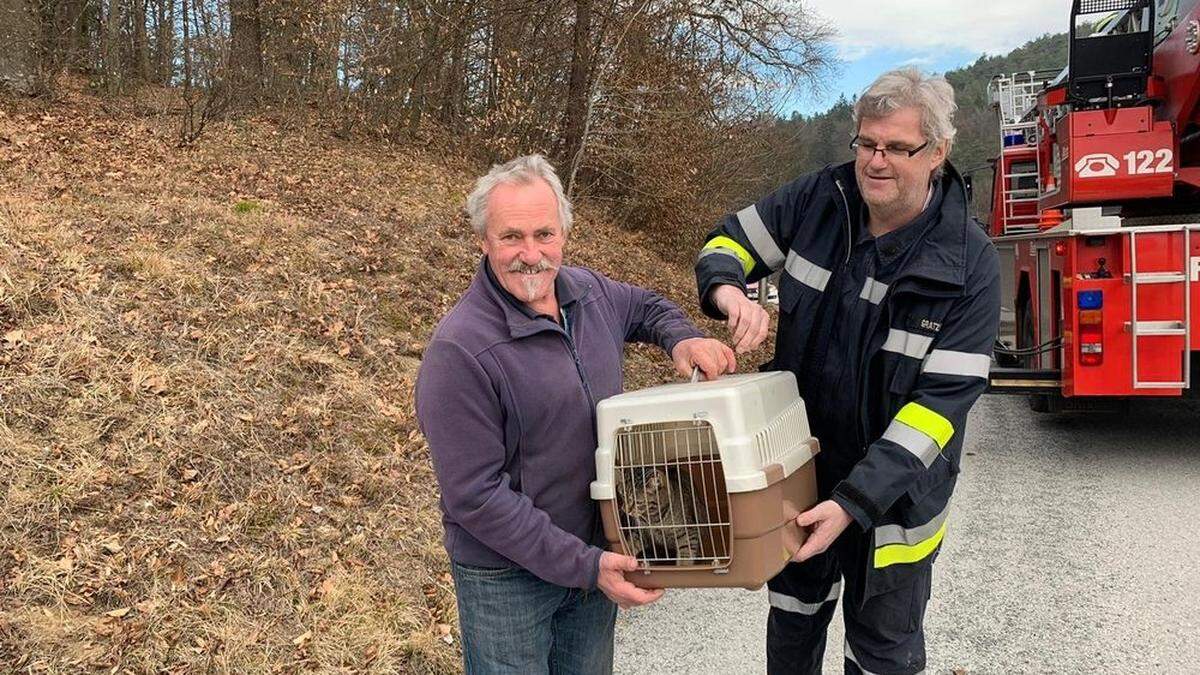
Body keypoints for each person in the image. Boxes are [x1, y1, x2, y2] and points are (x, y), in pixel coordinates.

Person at [694, 68, 1000, 674]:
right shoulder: (818, 202)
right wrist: (729, 292)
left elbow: (938, 410)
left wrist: (854, 501)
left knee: (881, 656)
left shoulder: (970, 267)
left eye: (896, 147)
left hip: (893, 507)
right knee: (792, 634)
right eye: (865, 143)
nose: (874, 161)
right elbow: (726, 242)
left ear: (937, 152)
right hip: (801, 483)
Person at [416, 154, 736, 674]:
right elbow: (475, 496)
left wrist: (683, 339)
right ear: (482, 240)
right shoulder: (460, 352)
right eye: (511, 237)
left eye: (544, 233)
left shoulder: (589, 293)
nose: (531, 254)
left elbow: (647, 306)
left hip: (592, 556)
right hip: (507, 579)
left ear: (564, 232)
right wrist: (587, 566)